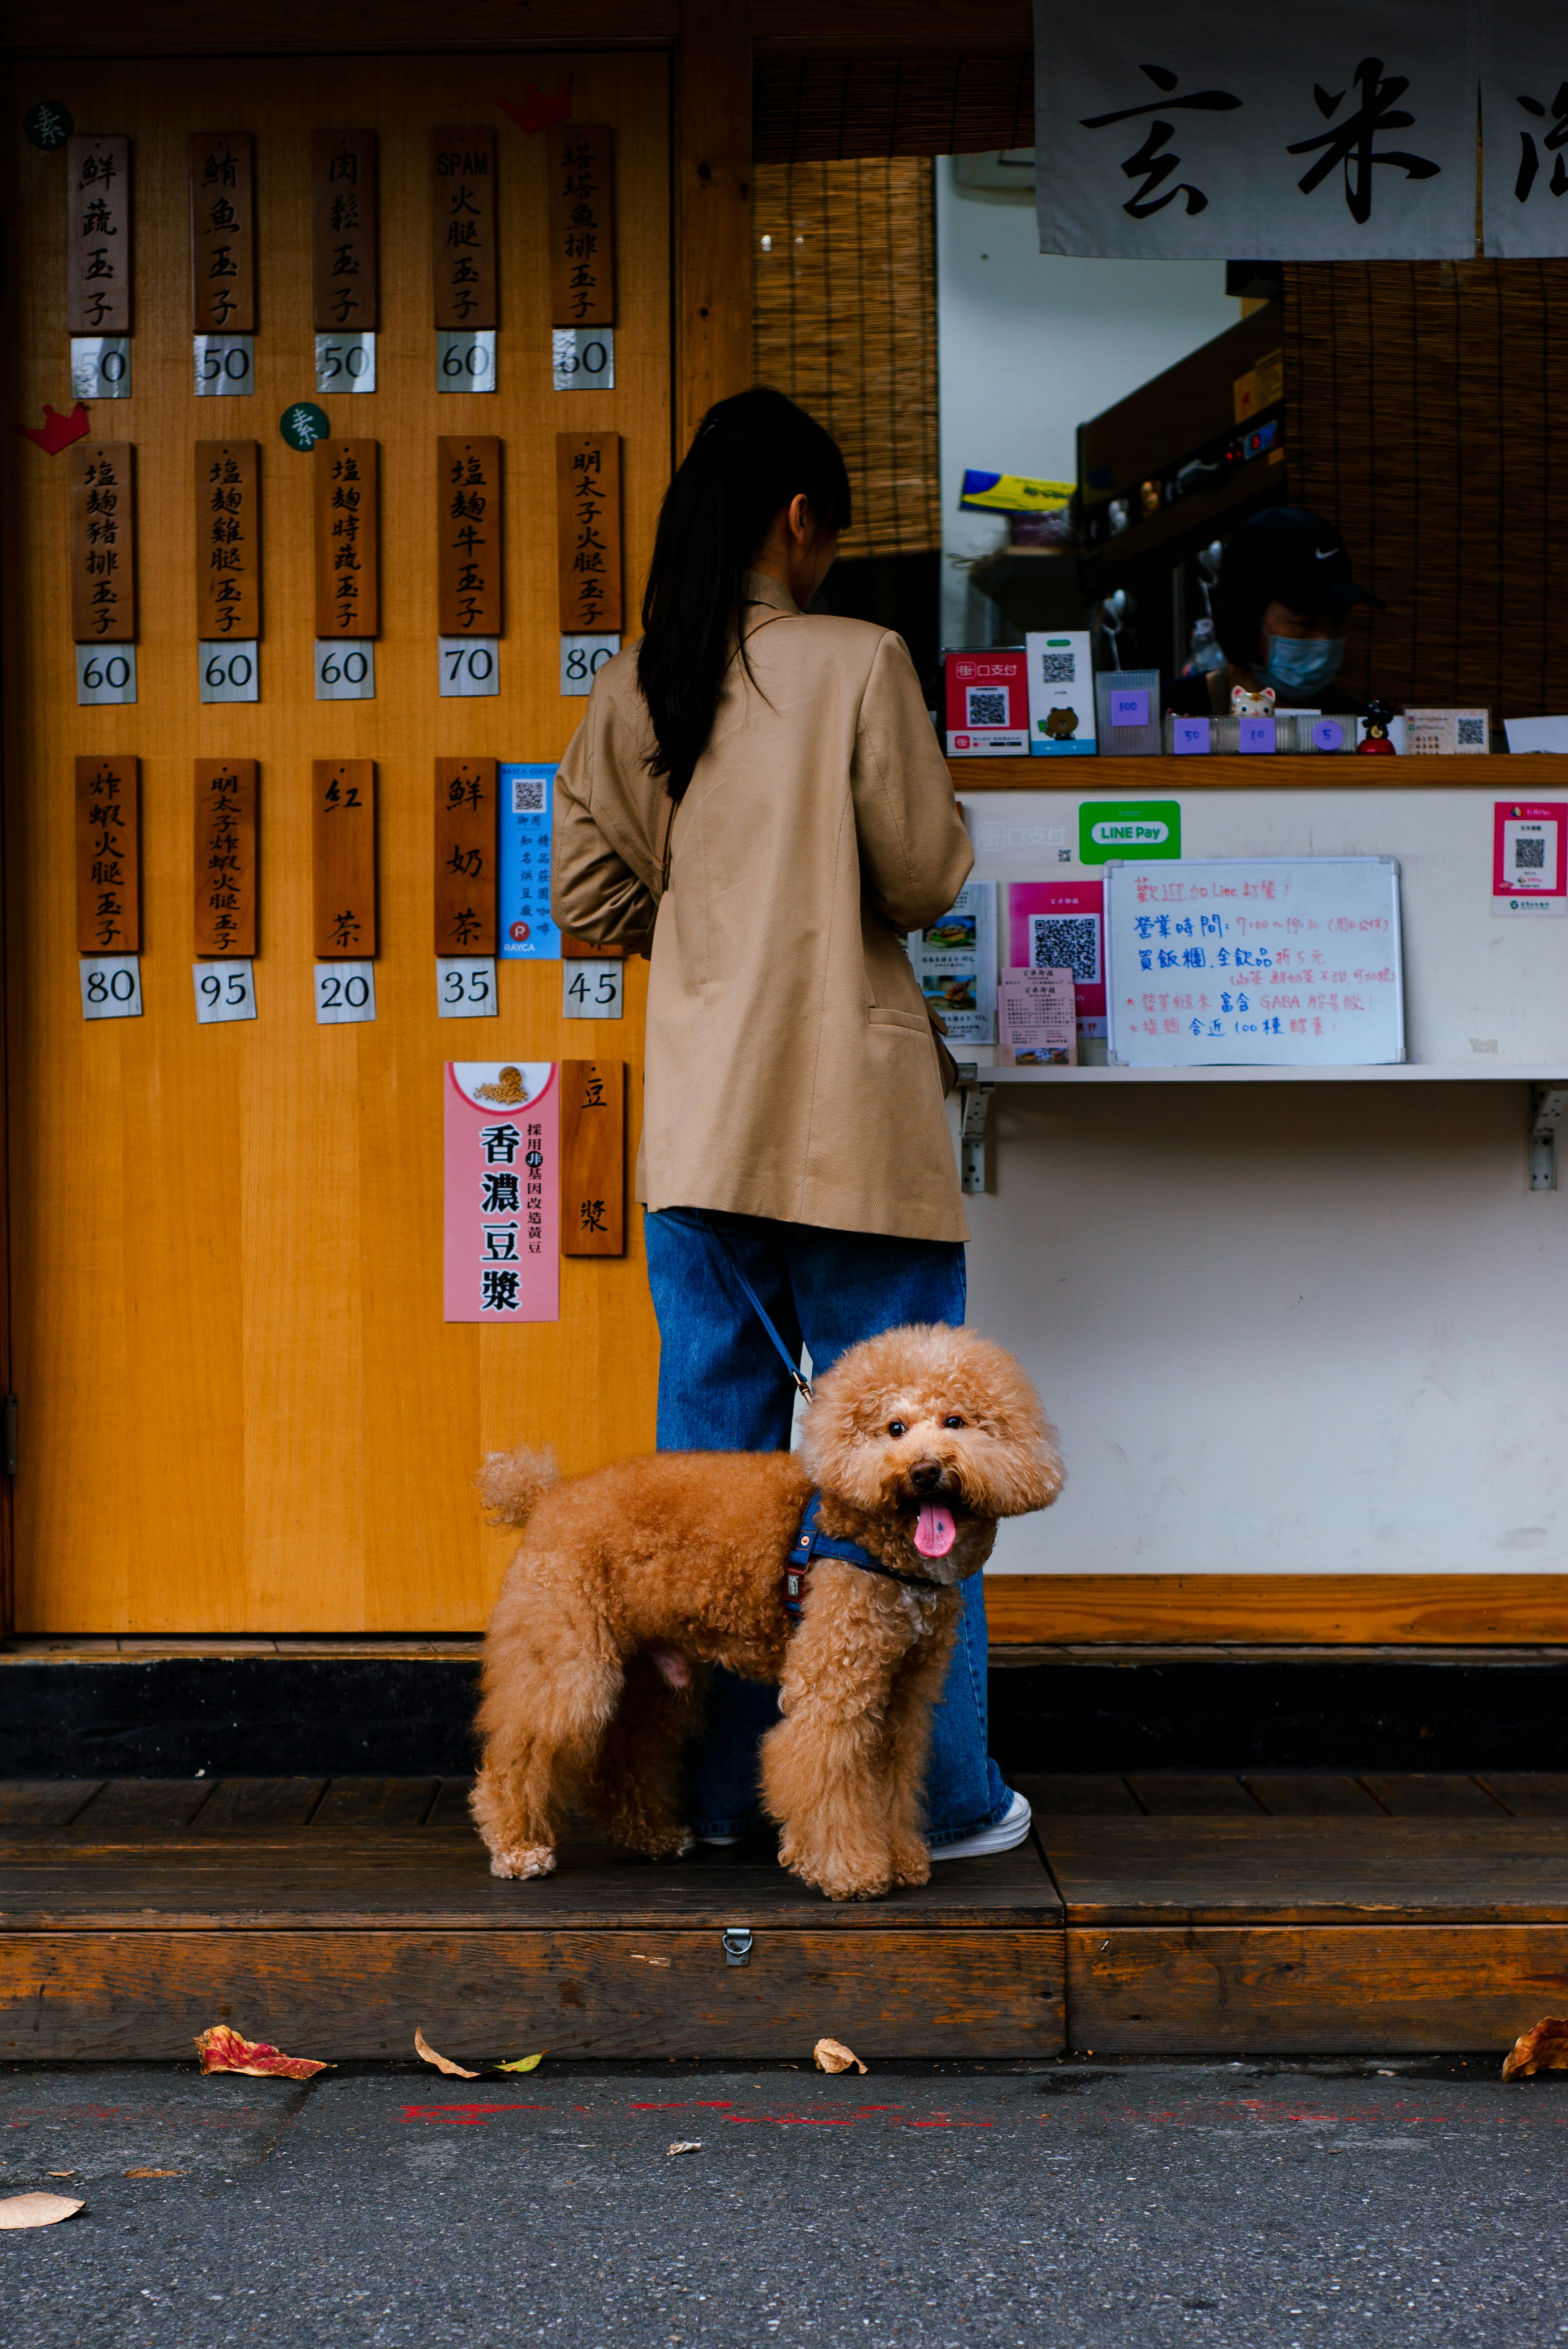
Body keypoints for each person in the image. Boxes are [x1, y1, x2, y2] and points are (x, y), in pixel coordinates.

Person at [551, 386, 1030, 1861]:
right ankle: (935, 1803)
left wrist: (708, 919)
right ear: (800, 520)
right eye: (828, 534)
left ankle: (701, 1803)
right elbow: (923, 870)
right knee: (918, 1478)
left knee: (706, 1488)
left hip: (704, 1131)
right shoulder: (859, 662)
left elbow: (584, 900)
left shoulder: (639, 684)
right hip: (859, 1132)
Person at [1167, 505, 1384, 717]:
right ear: (1244, 623)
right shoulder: (1163, 714)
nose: (1327, 642)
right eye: (1306, 624)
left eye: (1338, 622)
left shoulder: (1356, 726)